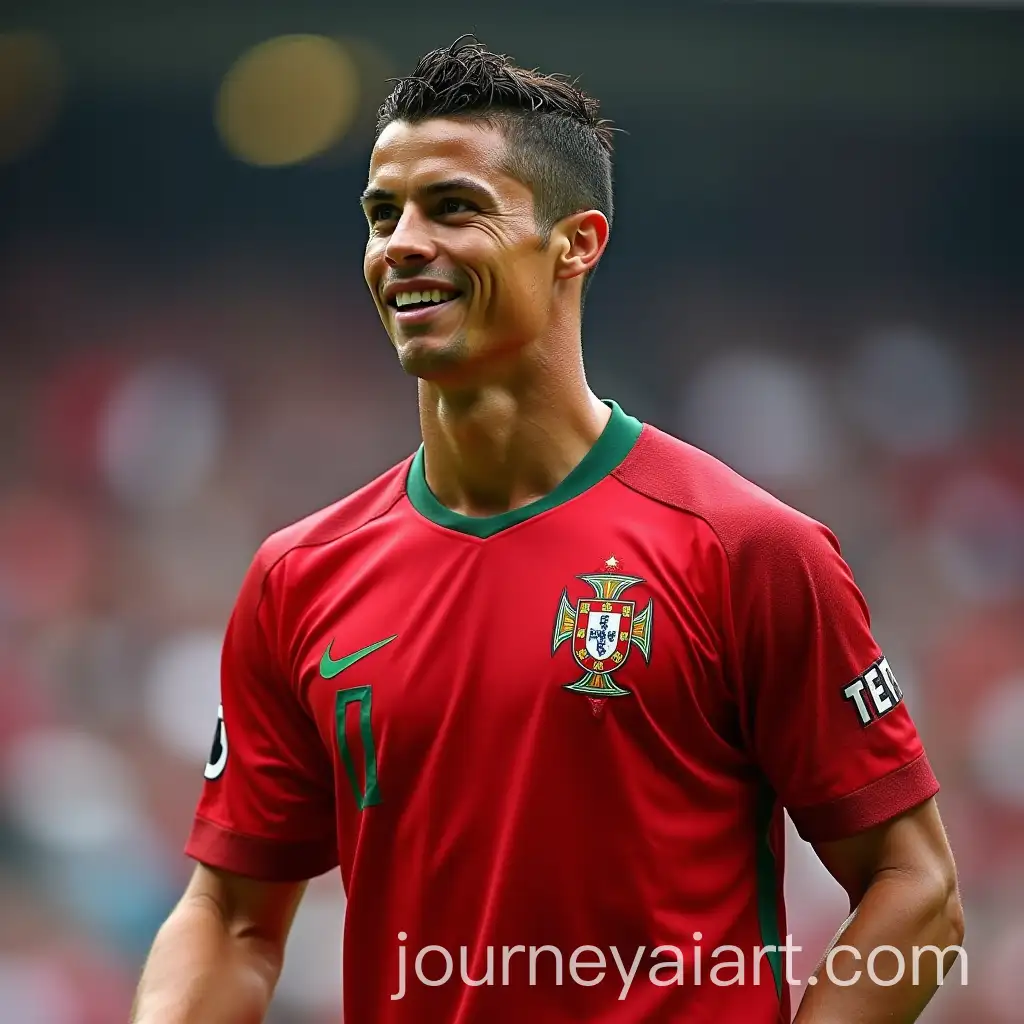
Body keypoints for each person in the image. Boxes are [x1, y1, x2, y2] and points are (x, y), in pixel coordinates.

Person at [131, 35, 964, 1024]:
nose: (402, 242)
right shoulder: (298, 576)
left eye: (454, 208)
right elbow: (230, 916)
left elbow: (917, 890)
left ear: (577, 242)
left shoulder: (746, 549)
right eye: (381, 213)